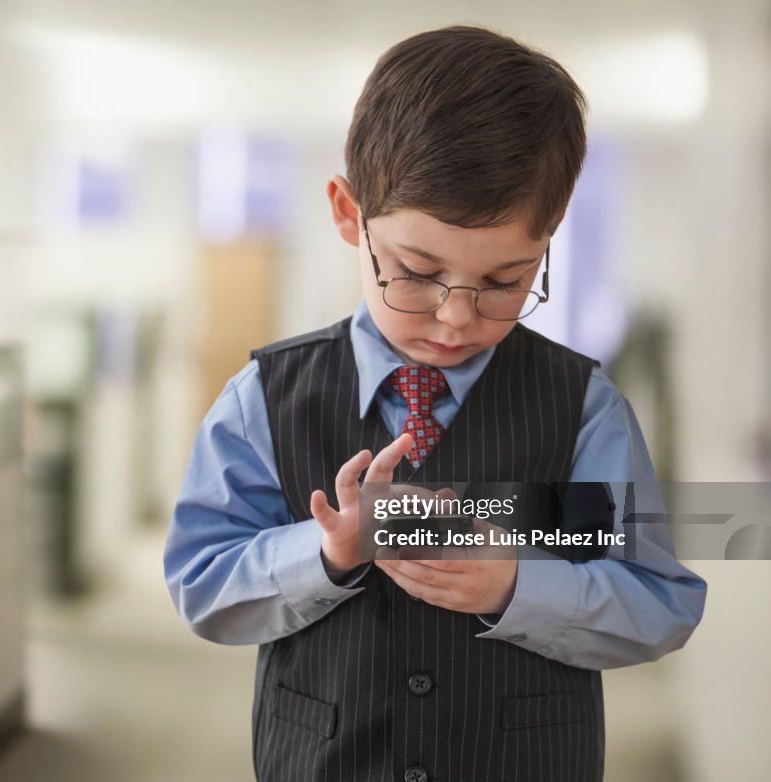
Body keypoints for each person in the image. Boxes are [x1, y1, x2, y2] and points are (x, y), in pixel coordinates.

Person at [164, 25, 706, 782]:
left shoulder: (582, 410)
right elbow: (202, 585)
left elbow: (657, 602)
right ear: (349, 215)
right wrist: (326, 554)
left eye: (505, 282)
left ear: (548, 244)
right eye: (417, 273)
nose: (456, 316)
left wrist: (518, 583)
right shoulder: (263, 399)